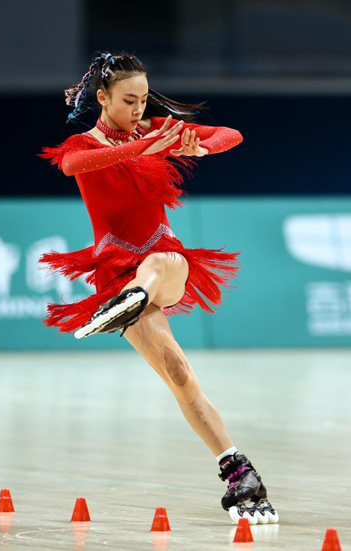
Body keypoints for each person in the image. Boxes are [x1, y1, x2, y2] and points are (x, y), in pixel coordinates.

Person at [38, 51, 278, 525]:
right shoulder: (84, 144)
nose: (138, 109)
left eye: (144, 99)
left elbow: (231, 134)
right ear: (102, 98)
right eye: (129, 100)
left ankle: (135, 297)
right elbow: (74, 165)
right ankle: (239, 472)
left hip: (164, 265)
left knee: (159, 262)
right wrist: (142, 148)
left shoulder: (155, 129)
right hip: (115, 271)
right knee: (178, 374)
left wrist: (200, 148)